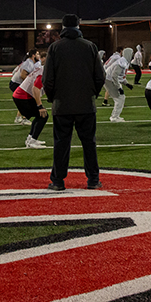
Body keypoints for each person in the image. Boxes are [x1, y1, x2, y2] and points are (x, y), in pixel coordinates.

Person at [43, 13, 106, 190]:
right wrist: (92, 93)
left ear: (62, 27)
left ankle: (58, 181)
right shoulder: (90, 47)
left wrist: (53, 97)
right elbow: (100, 76)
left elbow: (47, 78)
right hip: (86, 104)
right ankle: (93, 179)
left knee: (61, 144)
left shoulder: (55, 48)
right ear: (79, 25)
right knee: (89, 143)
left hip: (62, 105)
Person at [11, 53, 50, 148]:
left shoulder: (42, 69)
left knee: (39, 116)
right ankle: (32, 140)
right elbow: (35, 88)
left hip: (21, 95)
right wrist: (39, 105)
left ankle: (30, 138)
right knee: (43, 115)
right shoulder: (44, 72)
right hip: (22, 96)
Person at [9, 51, 38, 124]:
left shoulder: (28, 62)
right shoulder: (29, 63)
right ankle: (23, 118)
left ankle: (20, 117)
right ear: (33, 55)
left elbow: (14, 72)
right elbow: (22, 75)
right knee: (25, 101)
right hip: (16, 83)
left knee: (25, 100)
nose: (39, 56)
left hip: (15, 82)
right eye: (37, 54)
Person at [102, 46, 130, 122]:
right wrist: (119, 87)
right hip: (109, 79)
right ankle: (114, 117)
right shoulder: (120, 60)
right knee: (119, 98)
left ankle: (115, 116)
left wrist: (126, 83)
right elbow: (115, 75)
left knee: (120, 97)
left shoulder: (119, 58)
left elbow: (119, 75)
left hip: (108, 78)